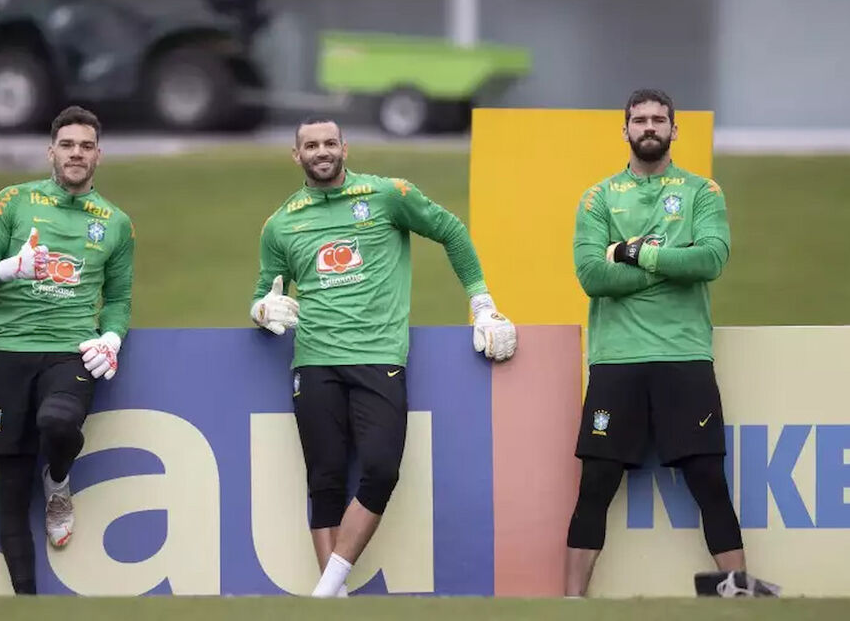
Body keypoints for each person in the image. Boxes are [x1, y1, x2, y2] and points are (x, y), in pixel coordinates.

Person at [249, 117, 517, 597]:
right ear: (297, 155)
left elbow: (452, 232)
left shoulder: (388, 194)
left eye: (330, 142)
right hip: (313, 360)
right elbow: (265, 289)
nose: (322, 151)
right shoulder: (280, 222)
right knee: (325, 479)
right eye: (311, 145)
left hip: (379, 355)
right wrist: (262, 309)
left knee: (381, 470)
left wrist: (481, 302)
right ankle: (335, 598)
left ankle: (325, 590)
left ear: (345, 148)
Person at [564, 89, 779, 598]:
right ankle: (569, 604)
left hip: (683, 356)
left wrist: (635, 253)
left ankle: (739, 594)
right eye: (639, 120)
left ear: (675, 130)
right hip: (617, 360)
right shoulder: (597, 197)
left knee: (708, 479)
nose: (649, 126)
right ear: (625, 131)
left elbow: (710, 261)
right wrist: (667, 262)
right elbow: (592, 275)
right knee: (595, 484)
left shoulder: (703, 191)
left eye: (659, 119)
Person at [0, 105, 135, 594]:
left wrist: (112, 336)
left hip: (69, 352)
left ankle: (58, 481)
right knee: (10, 494)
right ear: (51, 151)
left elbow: (119, 299)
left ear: (98, 155)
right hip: (8, 352)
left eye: (85, 146)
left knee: (58, 423)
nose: (76, 154)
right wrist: (10, 268)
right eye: (67, 145)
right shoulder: (12, 202)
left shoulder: (116, 223)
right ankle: (27, 604)